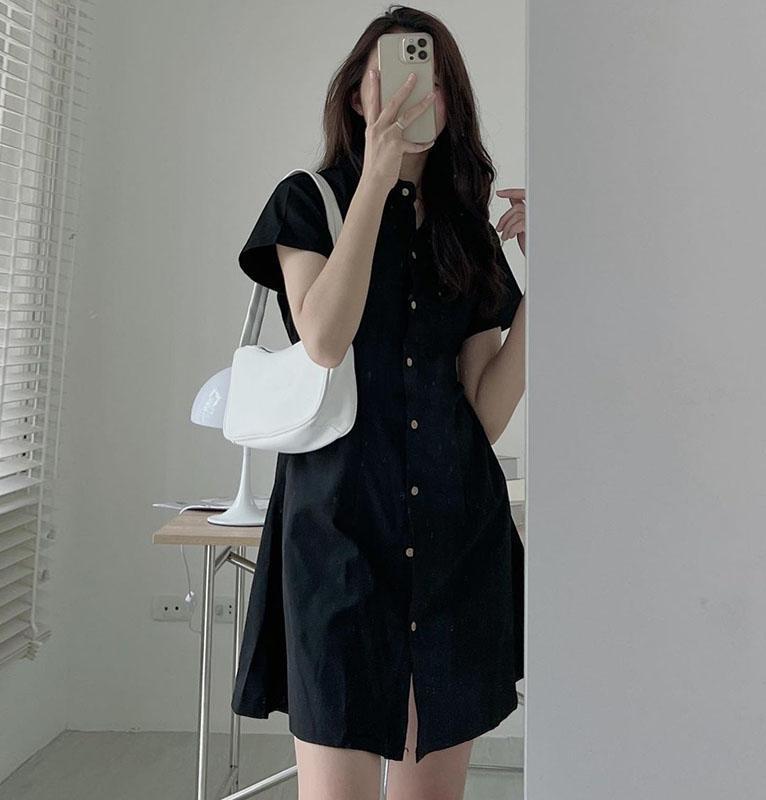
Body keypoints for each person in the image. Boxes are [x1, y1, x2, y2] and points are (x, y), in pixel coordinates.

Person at [231, 7, 526, 800]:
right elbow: (324, 339)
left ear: (451, 101)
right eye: (386, 75)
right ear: (358, 97)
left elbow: (485, 412)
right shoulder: (309, 202)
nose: (406, 92)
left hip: (455, 542)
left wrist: (551, 284)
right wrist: (376, 181)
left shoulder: (468, 232)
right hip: (338, 541)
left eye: (429, 78)